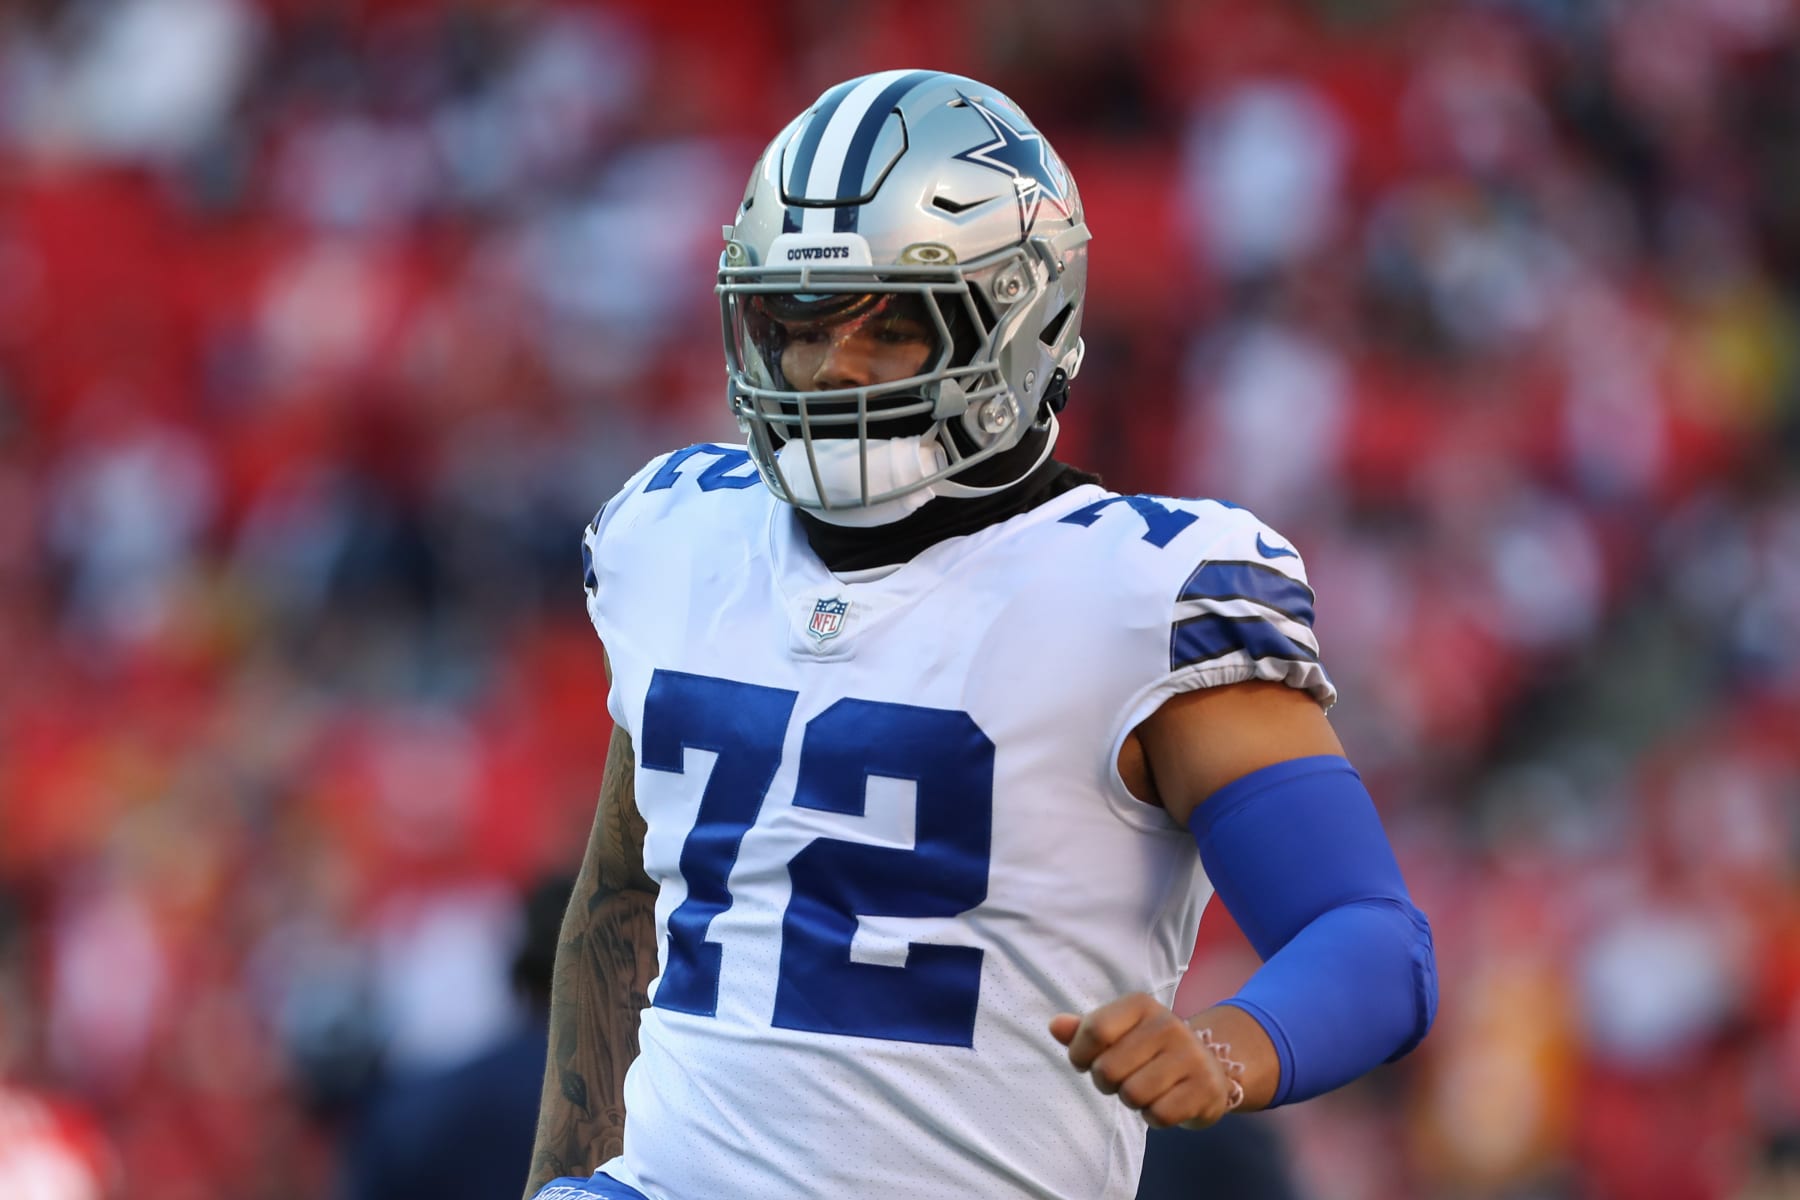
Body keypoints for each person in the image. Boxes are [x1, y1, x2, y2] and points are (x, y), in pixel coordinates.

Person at [524, 69, 1437, 1200]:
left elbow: (1370, 937)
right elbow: (621, 902)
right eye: (793, 324)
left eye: (892, 325)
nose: (828, 369)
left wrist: (1232, 1046)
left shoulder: (1141, 593)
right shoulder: (676, 537)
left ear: (1021, 316)